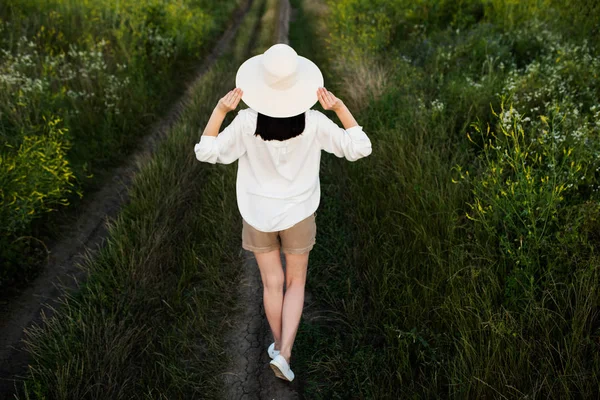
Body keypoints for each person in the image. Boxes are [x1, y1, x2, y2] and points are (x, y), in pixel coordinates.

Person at [193, 43, 372, 382]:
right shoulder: (316, 121)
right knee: (296, 281)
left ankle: (278, 347)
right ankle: (285, 353)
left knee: (272, 284)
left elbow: (206, 151)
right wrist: (340, 107)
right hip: (299, 212)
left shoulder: (246, 121)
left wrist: (219, 111)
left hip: (257, 213)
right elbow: (360, 147)